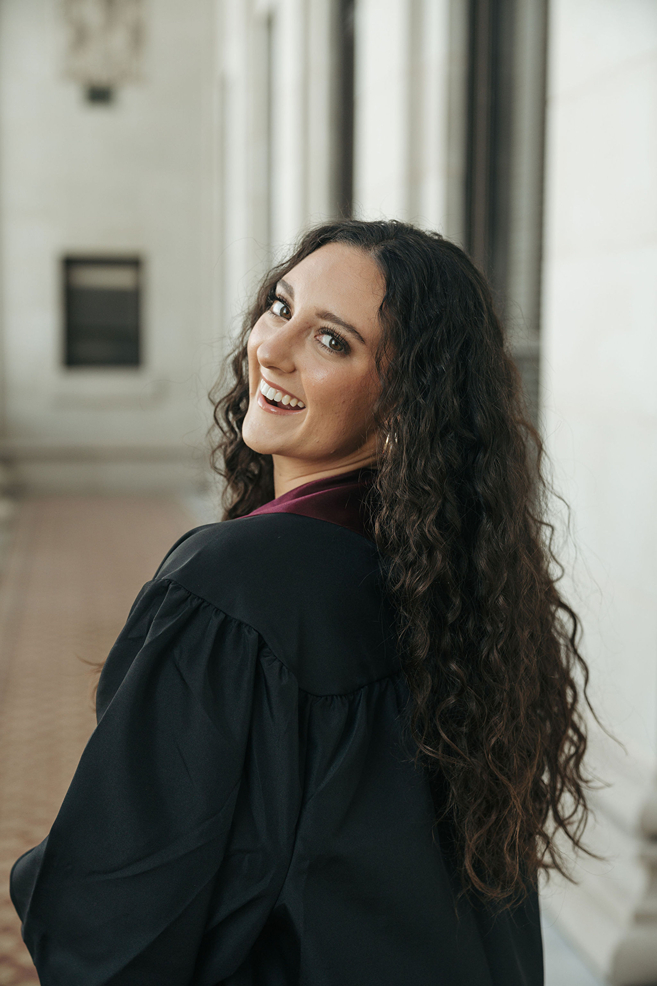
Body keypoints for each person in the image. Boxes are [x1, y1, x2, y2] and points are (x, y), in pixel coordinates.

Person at [10, 220, 593, 985]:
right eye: (281, 308)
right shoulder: (459, 584)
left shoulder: (235, 589)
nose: (271, 350)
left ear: (405, 402)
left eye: (332, 342)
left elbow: (112, 916)